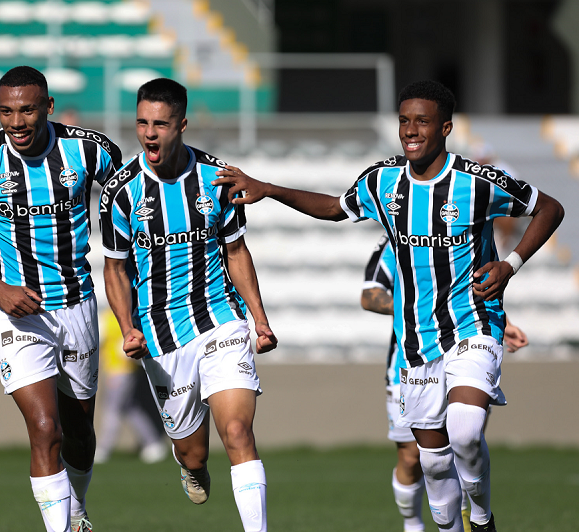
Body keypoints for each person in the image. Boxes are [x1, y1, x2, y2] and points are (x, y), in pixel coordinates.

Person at [213, 80, 564, 532]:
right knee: (433, 465)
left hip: (473, 324)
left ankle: (481, 517)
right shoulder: (383, 181)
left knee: (465, 429)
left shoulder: (477, 181)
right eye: (404, 121)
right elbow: (334, 208)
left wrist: (510, 265)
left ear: (446, 128)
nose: (410, 130)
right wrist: (269, 188)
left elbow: (549, 208)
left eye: (422, 121)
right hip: (415, 344)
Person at [0, 66, 122, 532]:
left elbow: (130, 207)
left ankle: (78, 507)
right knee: (45, 428)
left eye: (26, 110)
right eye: (6, 111)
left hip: (78, 304)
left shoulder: (92, 151)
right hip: (14, 314)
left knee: (79, 431)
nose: (16, 122)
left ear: (48, 108)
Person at [100, 78, 277, 532]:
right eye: (142, 123)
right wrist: (127, 327)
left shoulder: (216, 178)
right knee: (191, 451)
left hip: (221, 320)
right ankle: (192, 467)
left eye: (160, 123)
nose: (149, 133)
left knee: (237, 432)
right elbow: (116, 270)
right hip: (161, 336)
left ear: (182, 124)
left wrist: (259, 319)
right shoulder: (121, 192)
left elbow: (236, 252)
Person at [361, 234, 530, 532]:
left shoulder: (457, 232)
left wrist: (507, 321)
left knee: (464, 436)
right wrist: (413, 306)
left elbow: (465, 290)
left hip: (462, 346)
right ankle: (412, 525)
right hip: (410, 359)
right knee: (413, 458)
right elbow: (369, 294)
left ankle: (471, 520)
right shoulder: (394, 240)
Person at [95, 308, 167, 464]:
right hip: (124, 370)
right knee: (131, 408)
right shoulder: (128, 318)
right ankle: (153, 443)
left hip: (119, 371)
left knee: (112, 410)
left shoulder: (108, 319)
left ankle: (103, 449)